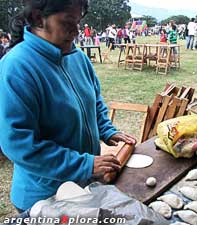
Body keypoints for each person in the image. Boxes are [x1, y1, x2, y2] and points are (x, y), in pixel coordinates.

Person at [0, 0, 136, 213]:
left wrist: (107, 130)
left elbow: (95, 100)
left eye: (79, 21)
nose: (76, 30)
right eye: (68, 22)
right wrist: (85, 165)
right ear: (38, 18)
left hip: (84, 185)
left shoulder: (78, 57)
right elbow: (19, 144)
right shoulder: (17, 67)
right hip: (44, 197)